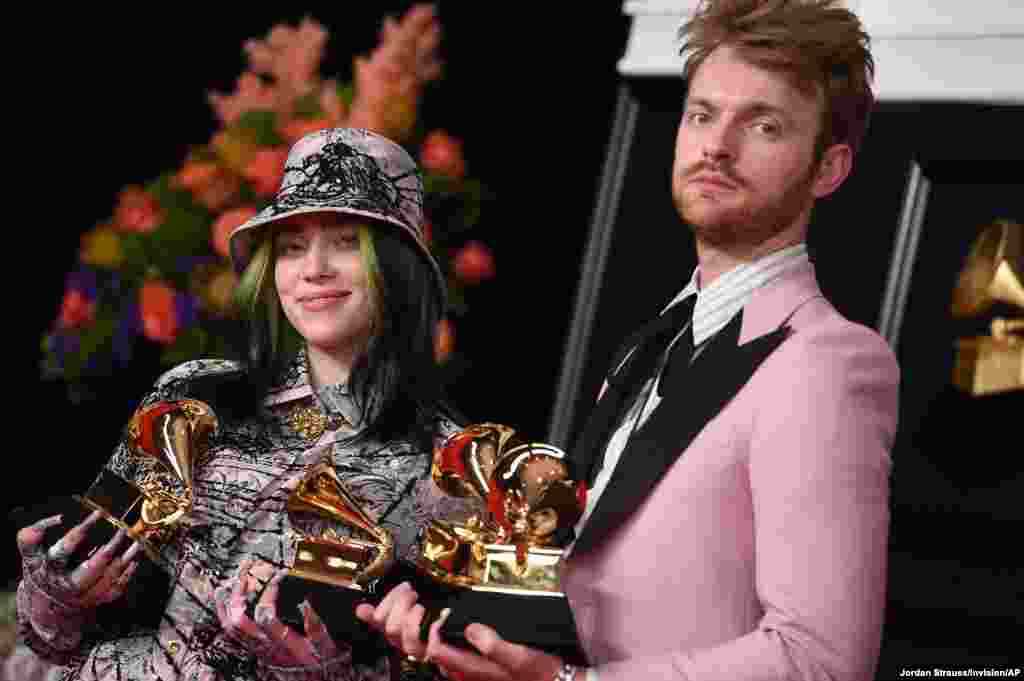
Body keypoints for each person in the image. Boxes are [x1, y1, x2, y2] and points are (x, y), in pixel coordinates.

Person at [356, 1, 900, 679]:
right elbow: (589, 584)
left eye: (762, 124)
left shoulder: (828, 363)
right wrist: (447, 619)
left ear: (830, 168)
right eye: (703, 114)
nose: (716, 146)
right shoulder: (652, 340)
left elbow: (821, 661)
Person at [15, 127, 479, 680]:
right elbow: (57, 639)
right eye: (291, 247)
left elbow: (448, 664)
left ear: (399, 268)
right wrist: (58, 595)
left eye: (346, 242)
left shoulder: (455, 466)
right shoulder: (192, 393)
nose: (313, 270)